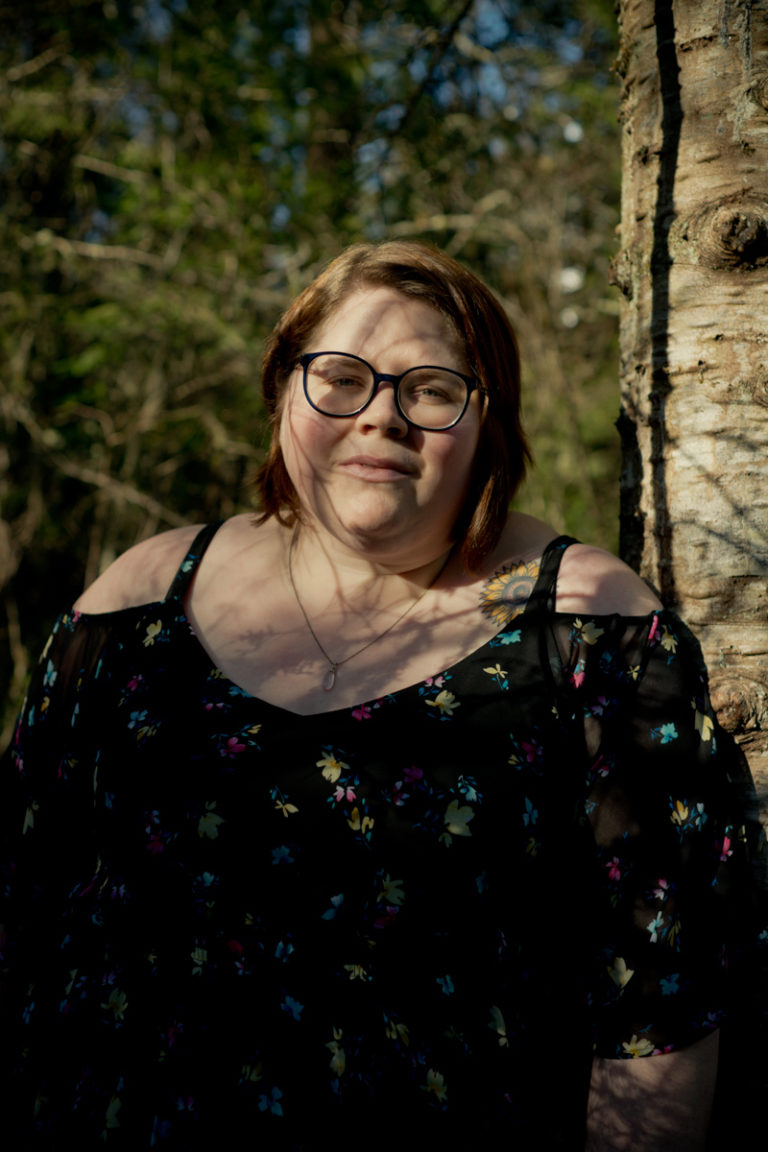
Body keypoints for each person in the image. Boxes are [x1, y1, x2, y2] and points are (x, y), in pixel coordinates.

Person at [1, 241, 764, 1149]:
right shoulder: (135, 607)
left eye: (432, 389)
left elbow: (662, 1008)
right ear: (286, 391)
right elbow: (20, 906)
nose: (382, 418)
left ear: (491, 424)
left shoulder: (591, 638)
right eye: (342, 377)